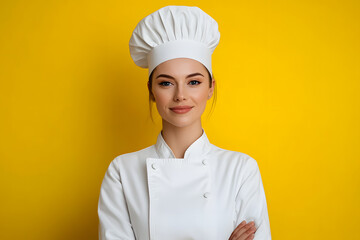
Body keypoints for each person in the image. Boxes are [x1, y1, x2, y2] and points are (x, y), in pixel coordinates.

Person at [97, 5, 271, 240]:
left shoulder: (240, 170)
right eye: (166, 83)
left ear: (210, 88)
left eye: (194, 82)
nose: (180, 95)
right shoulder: (122, 172)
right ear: (151, 90)